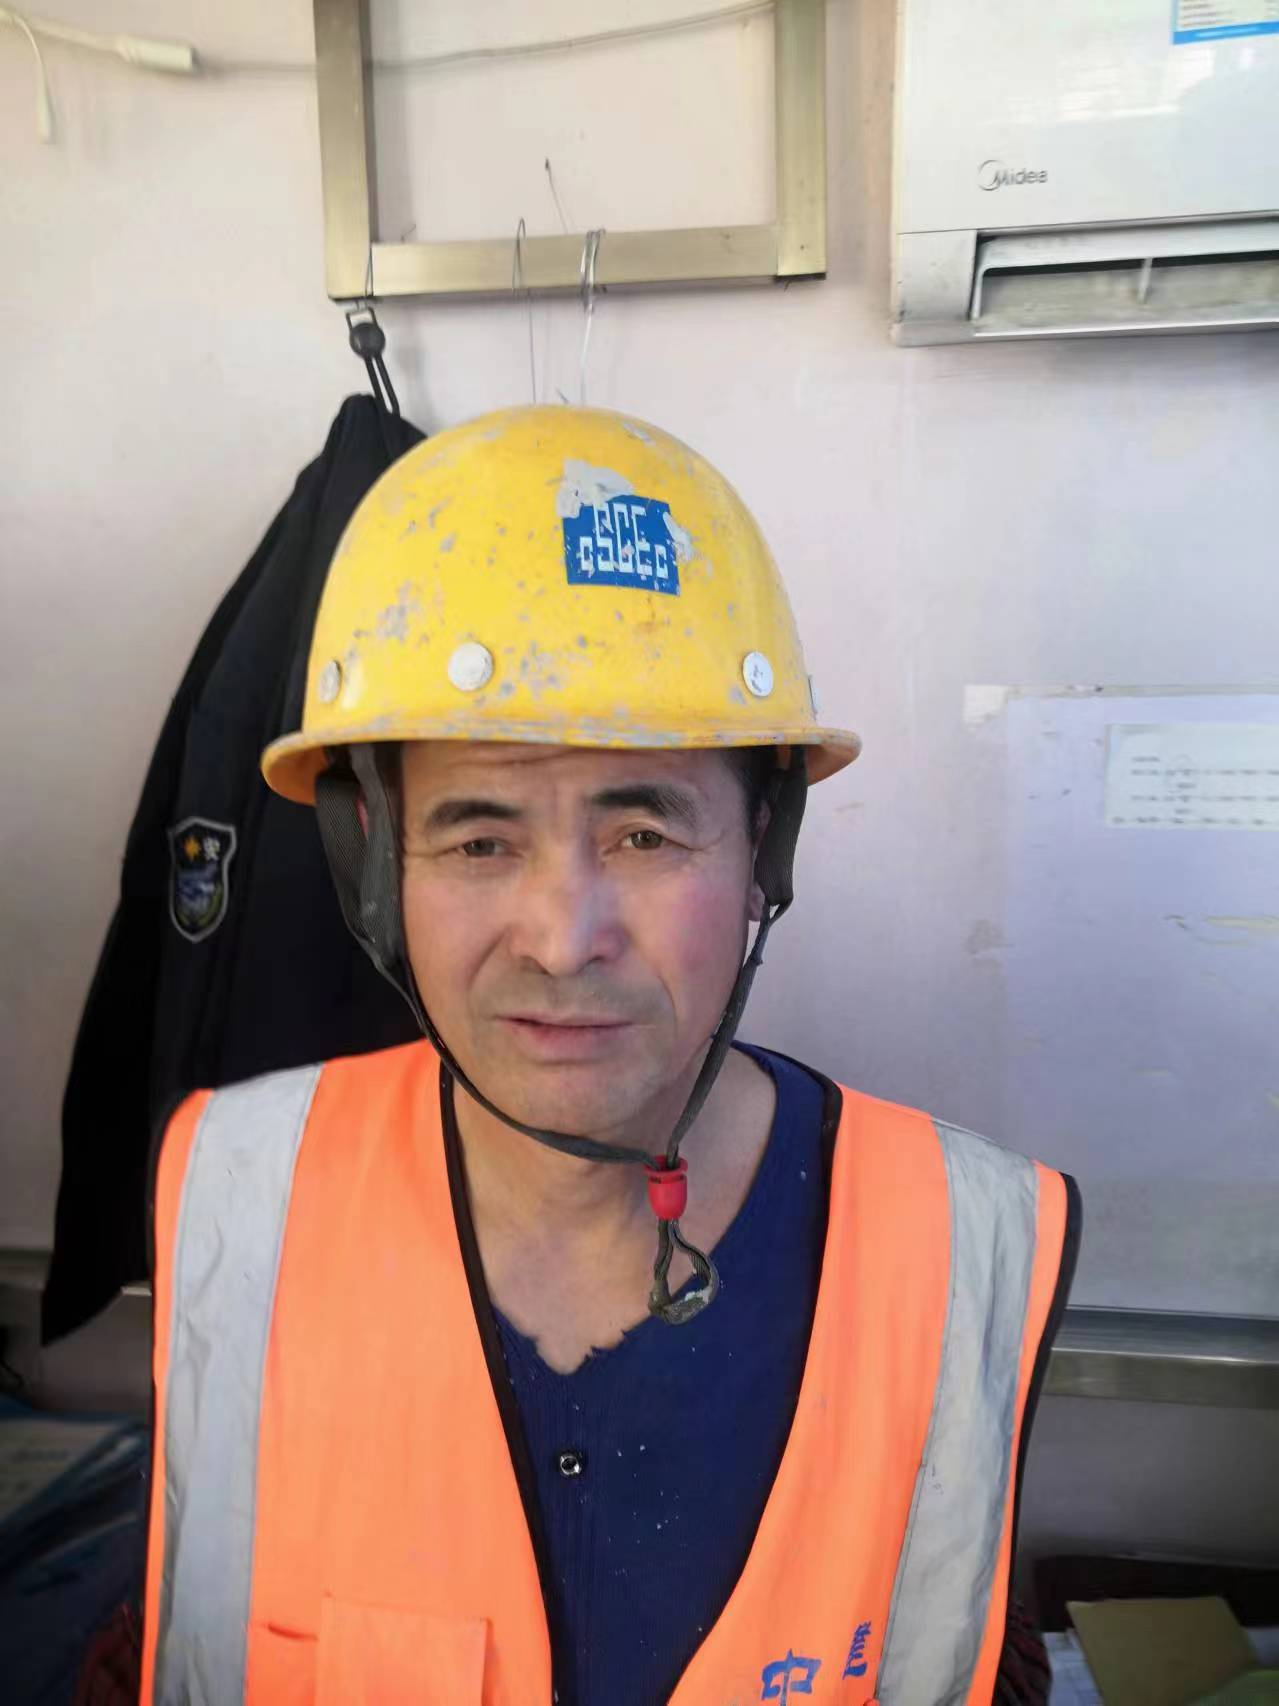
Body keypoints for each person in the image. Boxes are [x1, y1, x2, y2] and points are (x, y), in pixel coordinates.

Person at [139, 405, 1079, 1705]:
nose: (560, 938)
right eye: (478, 840)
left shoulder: (962, 1239)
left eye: (643, 836)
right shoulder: (237, 1192)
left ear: (765, 849)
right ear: (372, 867)